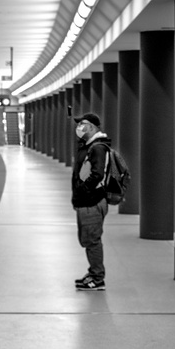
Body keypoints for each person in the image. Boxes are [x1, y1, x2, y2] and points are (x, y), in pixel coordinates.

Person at [71, 112, 111, 290]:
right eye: (78, 124)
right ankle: (93, 272)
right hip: (87, 201)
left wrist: (83, 191)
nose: (79, 127)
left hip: (92, 202)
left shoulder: (97, 148)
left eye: (83, 124)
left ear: (93, 127)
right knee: (88, 239)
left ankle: (97, 278)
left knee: (92, 240)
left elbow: (97, 174)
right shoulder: (88, 146)